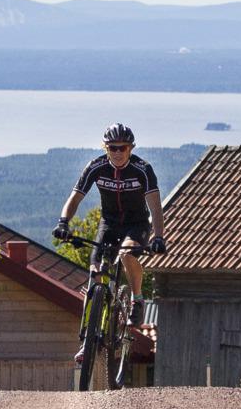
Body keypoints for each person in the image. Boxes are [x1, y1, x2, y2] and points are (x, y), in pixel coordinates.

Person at [55, 123, 165, 298]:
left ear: (131, 148)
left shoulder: (143, 169)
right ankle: (94, 308)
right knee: (95, 269)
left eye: (123, 148)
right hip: (109, 223)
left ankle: (137, 299)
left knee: (126, 254)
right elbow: (75, 198)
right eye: (113, 148)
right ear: (106, 148)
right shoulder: (95, 167)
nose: (118, 152)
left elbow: (155, 207)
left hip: (137, 224)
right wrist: (63, 223)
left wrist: (158, 237)